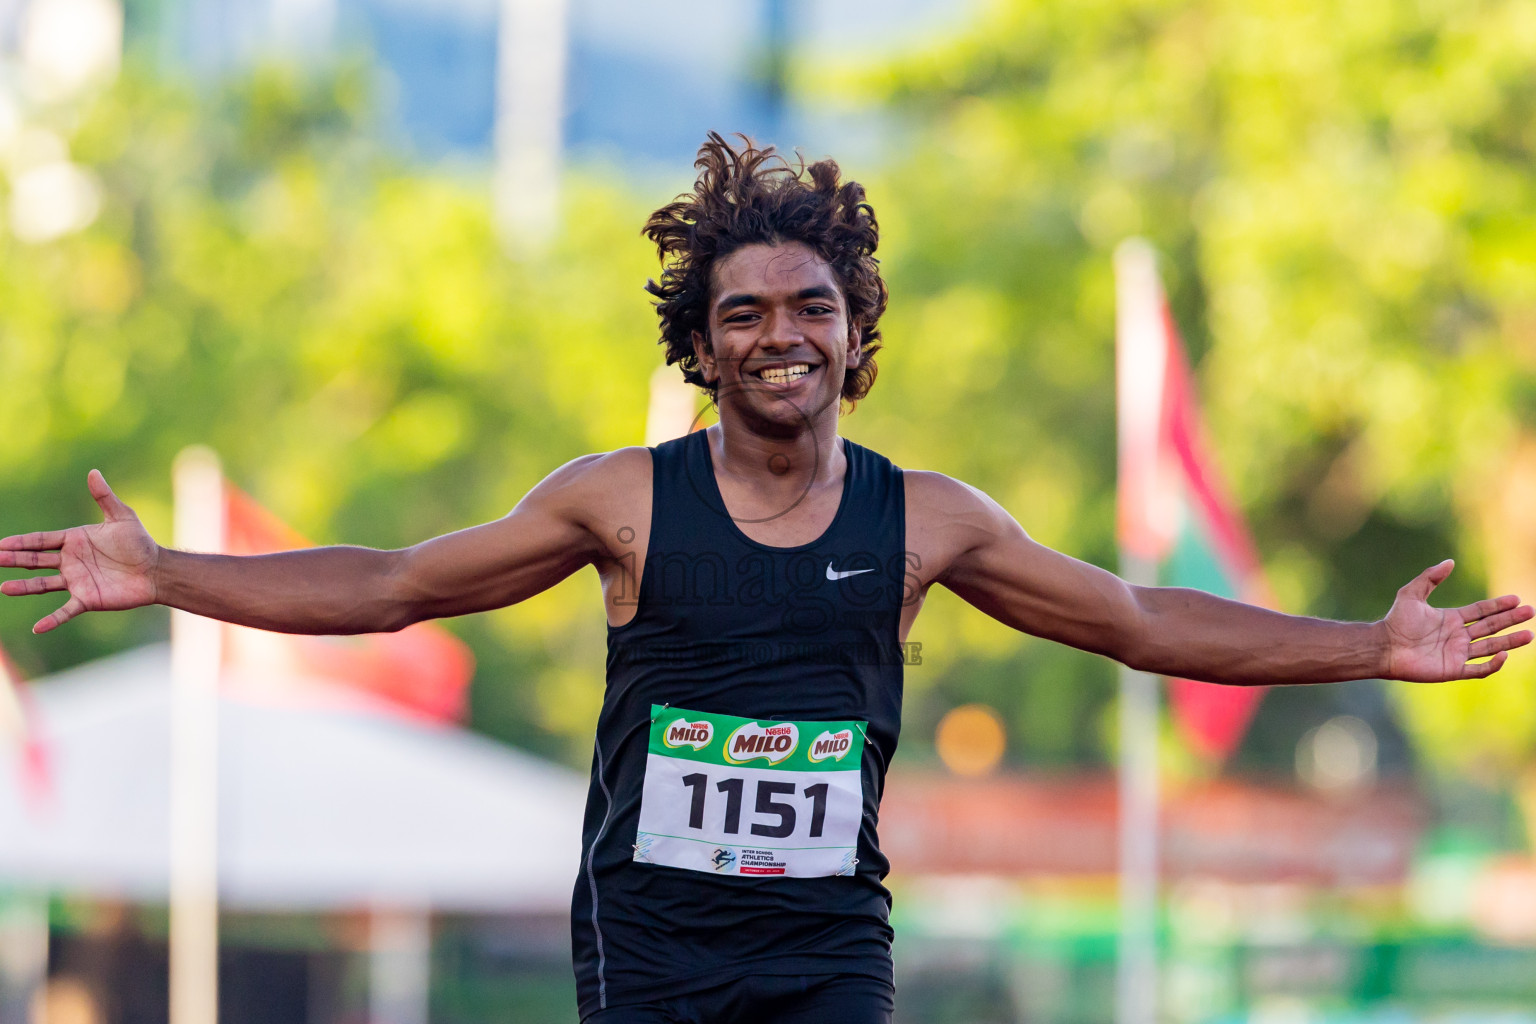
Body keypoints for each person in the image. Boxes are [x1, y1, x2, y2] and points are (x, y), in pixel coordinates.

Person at [2, 133, 1531, 1024]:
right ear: (702, 343)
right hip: (650, 945)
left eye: (810, 306)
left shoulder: (929, 521)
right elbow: (398, 582)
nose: (778, 333)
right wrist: (168, 572)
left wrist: (1367, 649)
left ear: (855, 333)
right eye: (743, 312)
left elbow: (1136, 620)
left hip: (824, 948)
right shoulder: (621, 503)